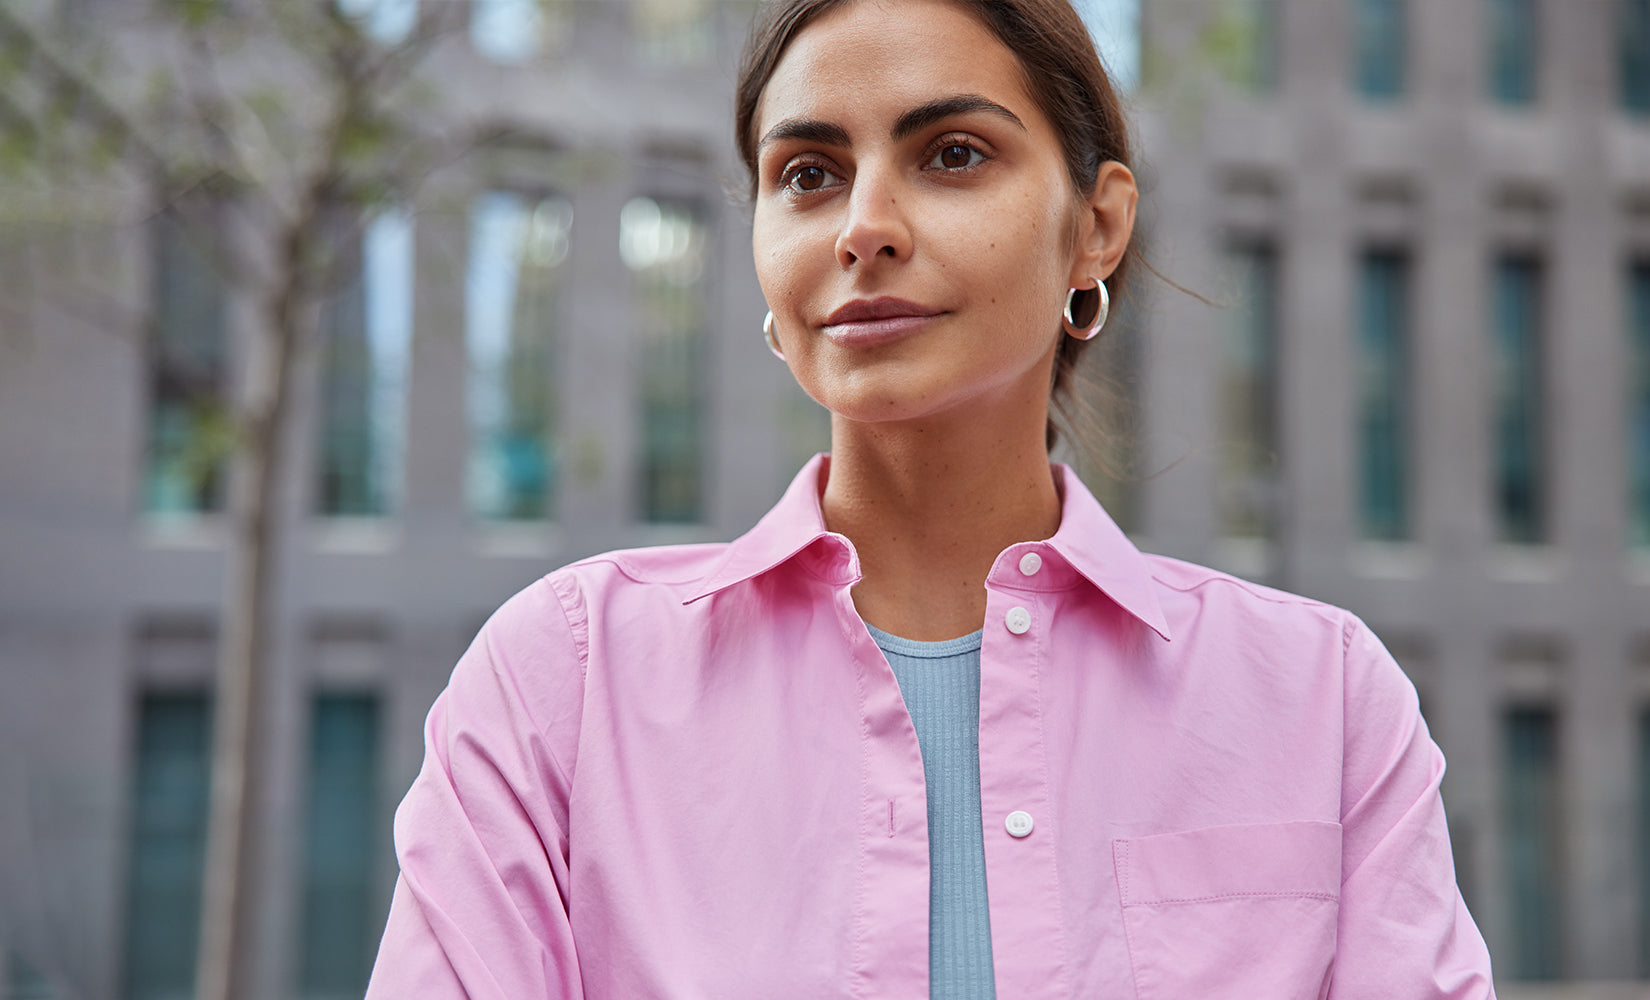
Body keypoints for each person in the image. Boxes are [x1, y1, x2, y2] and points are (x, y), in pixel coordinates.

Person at [366, 0, 1498, 996]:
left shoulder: (1322, 705)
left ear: (1096, 227)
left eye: (953, 154)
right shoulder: (565, 684)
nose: (864, 226)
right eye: (808, 175)